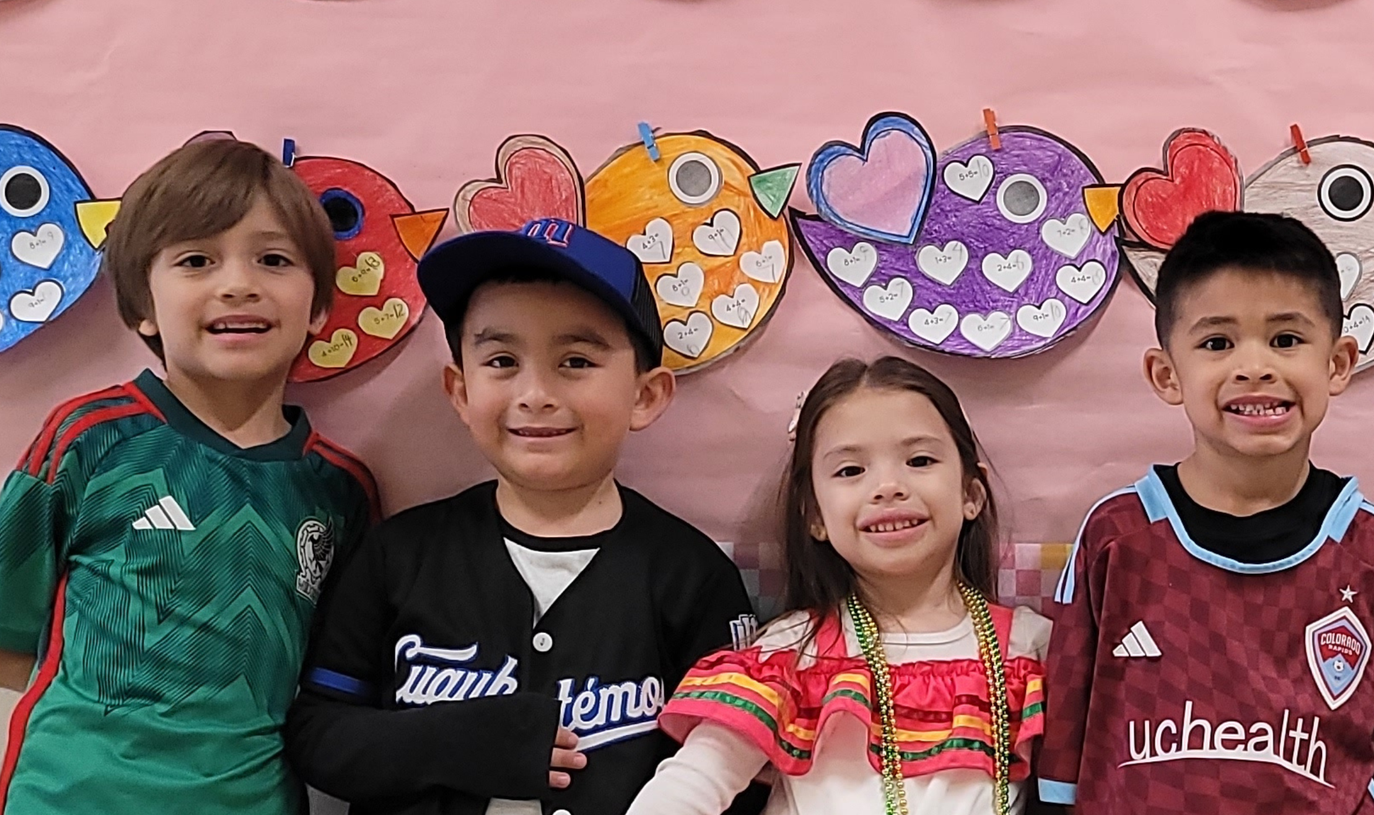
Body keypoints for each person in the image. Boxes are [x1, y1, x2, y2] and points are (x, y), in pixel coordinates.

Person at [284, 219, 761, 815]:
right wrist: (449, 742)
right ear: (460, 391)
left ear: (646, 396)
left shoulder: (691, 575)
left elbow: (737, 771)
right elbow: (317, 735)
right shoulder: (398, 554)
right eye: (503, 361)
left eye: (577, 361)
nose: (535, 393)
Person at [0, 138, 378, 815]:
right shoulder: (89, 438)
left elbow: (332, 693)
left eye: (273, 259)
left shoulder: (342, 491)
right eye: (197, 260)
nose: (237, 283)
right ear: (143, 303)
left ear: (320, 306)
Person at [1038, 211, 1374, 814]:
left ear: (1336, 363)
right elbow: (1062, 772)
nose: (1254, 366)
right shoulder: (1116, 538)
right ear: (1166, 374)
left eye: (1286, 340)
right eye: (1217, 343)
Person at [627, 355, 1051, 815]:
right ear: (813, 514)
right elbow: (689, 786)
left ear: (970, 494)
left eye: (920, 460)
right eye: (851, 471)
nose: (888, 487)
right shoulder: (789, 653)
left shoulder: (1035, 650)